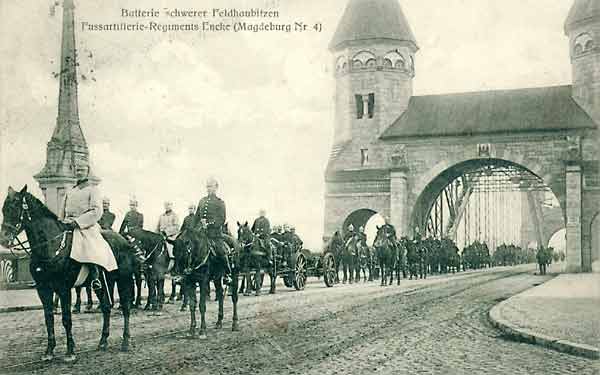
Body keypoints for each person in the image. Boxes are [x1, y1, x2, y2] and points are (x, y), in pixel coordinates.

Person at [61, 165, 117, 290]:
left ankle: (95, 276)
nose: (79, 172)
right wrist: (61, 223)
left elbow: (96, 211)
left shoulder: (93, 190)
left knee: (91, 246)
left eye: (82, 170)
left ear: (87, 172)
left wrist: (78, 222)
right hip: (68, 224)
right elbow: (62, 210)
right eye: (77, 170)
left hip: (86, 226)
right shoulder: (70, 190)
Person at [193, 177, 232, 279]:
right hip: (201, 234)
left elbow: (222, 219)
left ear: (216, 188)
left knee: (221, 251)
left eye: (211, 186)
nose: (209, 189)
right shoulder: (202, 201)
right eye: (207, 187)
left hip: (214, 234)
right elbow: (196, 217)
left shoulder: (220, 202)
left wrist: (209, 224)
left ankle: (227, 274)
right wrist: (193, 228)